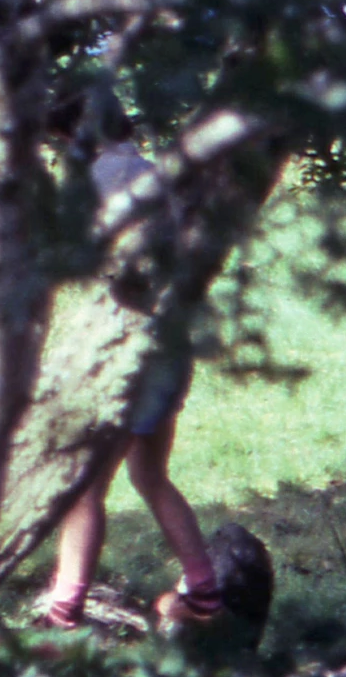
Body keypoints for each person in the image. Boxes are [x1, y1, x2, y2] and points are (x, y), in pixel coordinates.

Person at [36, 145, 226, 631]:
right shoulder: (154, 178)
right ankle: (203, 592)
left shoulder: (101, 176)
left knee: (85, 489)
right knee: (150, 476)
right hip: (171, 351)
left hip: (132, 359)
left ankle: (65, 610)